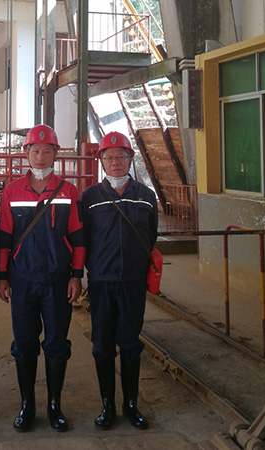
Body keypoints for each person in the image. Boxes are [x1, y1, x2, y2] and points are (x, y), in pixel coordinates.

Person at [0, 124, 85, 432]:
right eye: (35, 151)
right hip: (22, 280)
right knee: (24, 343)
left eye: (47, 151)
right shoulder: (12, 191)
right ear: (26, 153)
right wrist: (2, 276)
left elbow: (78, 237)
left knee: (57, 342)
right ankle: (27, 406)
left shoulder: (68, 191)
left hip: (58, 280)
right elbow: (4, 237)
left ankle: (54, 407)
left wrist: (76, 275)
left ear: (55, 154)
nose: (41, 157)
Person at [80, 131, 158, 429]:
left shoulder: (145, 196)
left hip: (133, 283)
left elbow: (150, 234)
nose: (115, 162)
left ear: (130, 159)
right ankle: (107, 406)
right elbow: (83, 238)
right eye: (109, 157)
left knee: (130, 343)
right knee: (102, 345)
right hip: (101, 282)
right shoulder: (90, 197)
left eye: (121, 157)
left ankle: (131, 405)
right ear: (101, 161)